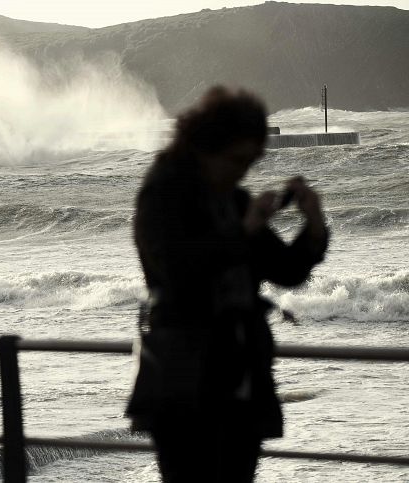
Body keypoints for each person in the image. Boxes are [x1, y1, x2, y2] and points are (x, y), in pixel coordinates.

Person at [126, 86, 328, 482]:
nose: (244, 171)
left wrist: (314, 224)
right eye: (237, 159)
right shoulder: (162, 196)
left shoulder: (231, 200)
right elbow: (177, 271)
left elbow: (287, 270)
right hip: (183, 377)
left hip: (238, 374)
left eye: (252, 161)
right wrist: (246, 229)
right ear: (206, 146)